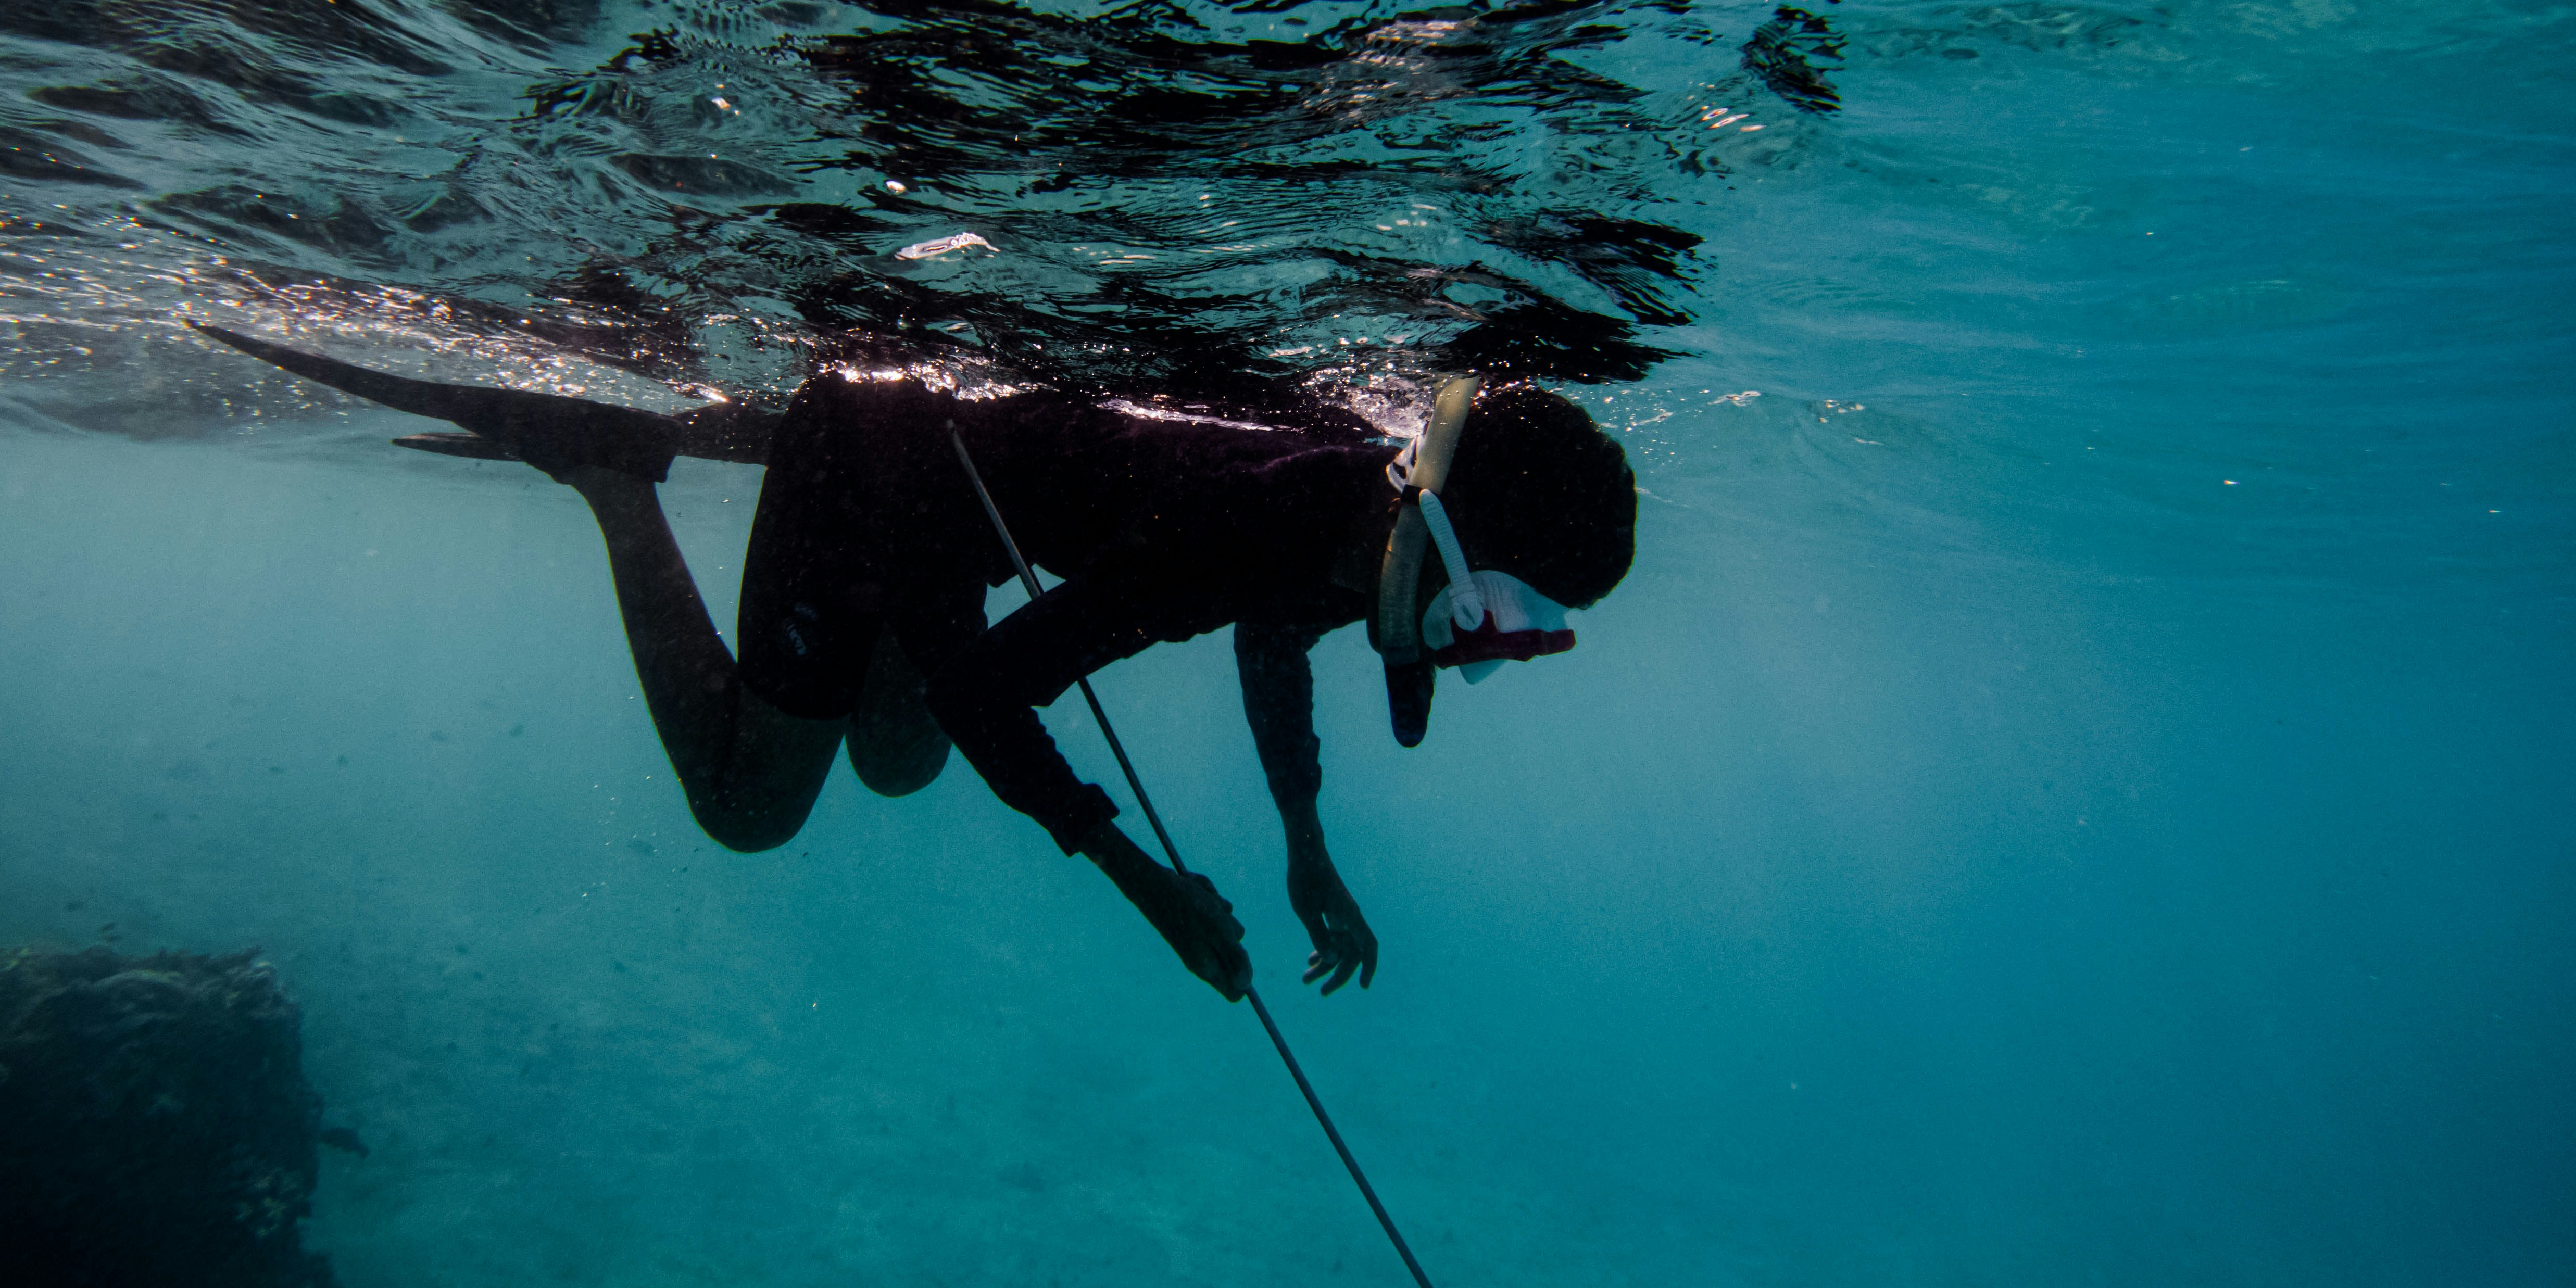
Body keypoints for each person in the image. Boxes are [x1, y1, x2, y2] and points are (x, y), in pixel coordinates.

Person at [196, 329, 1636, 999]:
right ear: (1443, 543)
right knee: (752, 808)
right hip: (873, 456)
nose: (1475, 656)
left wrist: (1303, 841)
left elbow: (1280, 634)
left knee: (895, 766)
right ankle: (615, 478)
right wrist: (1141, 882)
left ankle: (723, 529)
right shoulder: (1260, 519)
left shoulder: (1356, 533)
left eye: (1511, 643)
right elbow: (988, 685)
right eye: (1493, 620)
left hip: (958, 512)